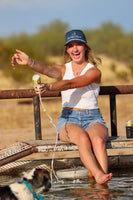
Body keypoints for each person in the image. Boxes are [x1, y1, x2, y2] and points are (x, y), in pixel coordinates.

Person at [11, 29, 113, 184]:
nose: (75, 49)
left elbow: (72, 83)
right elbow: (46, 69)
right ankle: (100, 177)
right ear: (67, 49)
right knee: (83, 138)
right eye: (71, 46)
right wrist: (29, 61)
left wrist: (50, 87)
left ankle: (101, 184)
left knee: (98, 140)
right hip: (68, 119)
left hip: (93, 117)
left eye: (78, 44)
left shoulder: (94, 71)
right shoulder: (64, 69)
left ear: (85, 47)